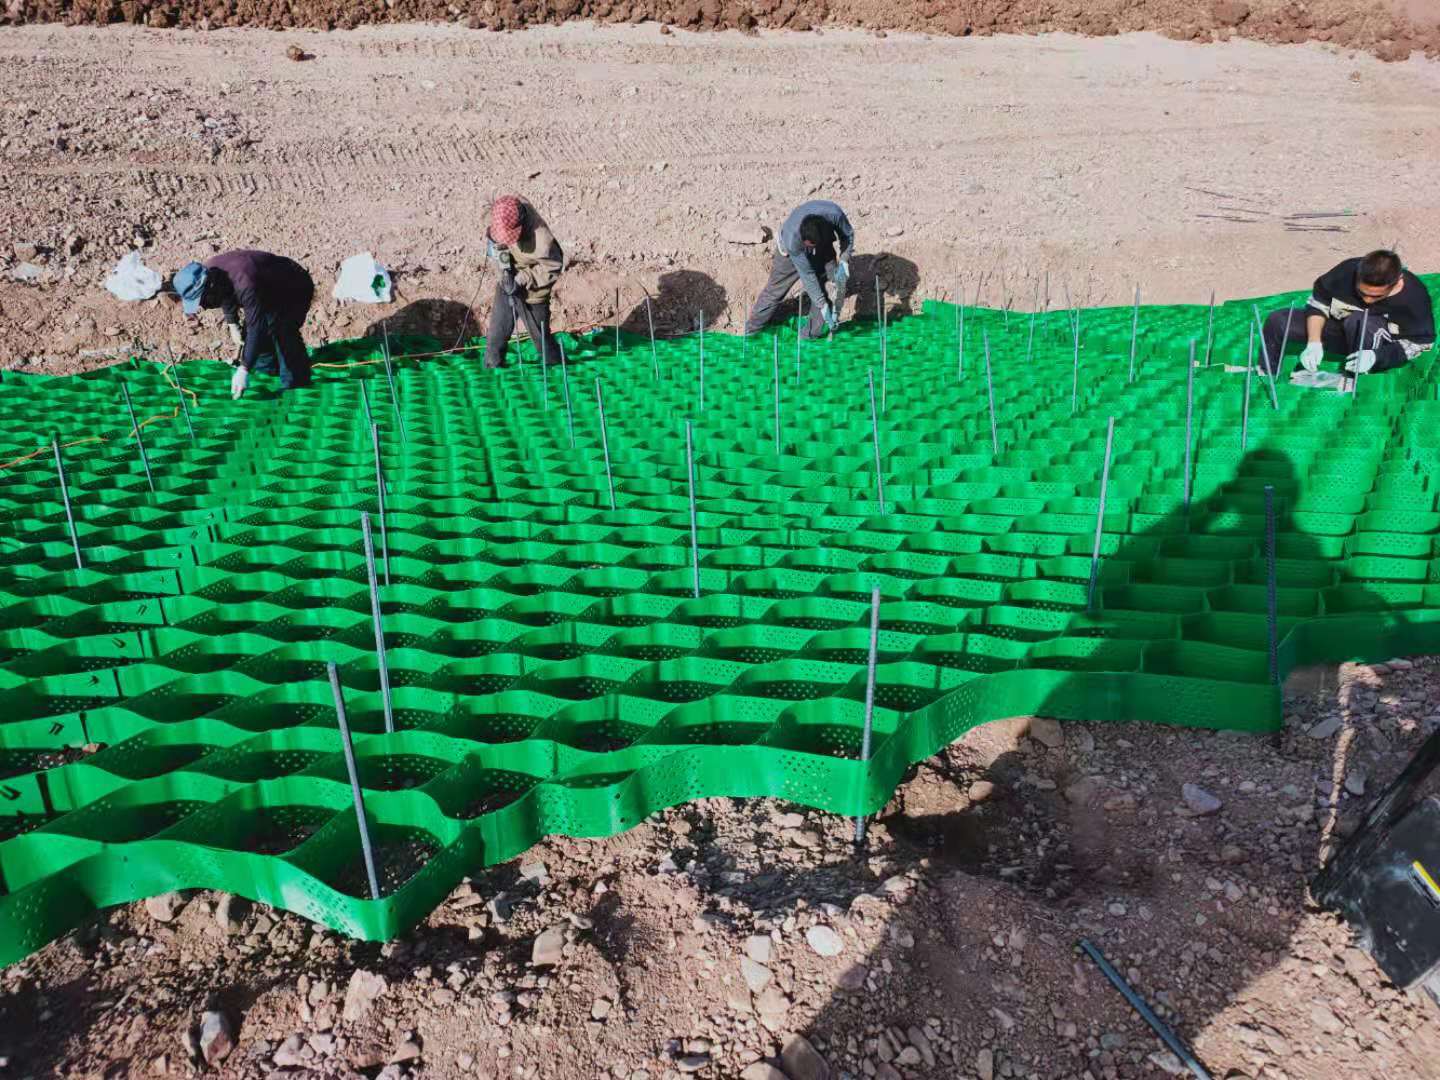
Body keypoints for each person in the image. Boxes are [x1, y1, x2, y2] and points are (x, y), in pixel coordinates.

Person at [1260, 250, 1435, 377]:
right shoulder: (1346, 271)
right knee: (1280, 319)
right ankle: (1266, 372)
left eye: (1376, 296)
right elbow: (1318, 303)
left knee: (1359, 321)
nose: (1366, 300)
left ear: (1396, 284)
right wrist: (1314, 343)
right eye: (1362, 292)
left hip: (1376, 345)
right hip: (1341, 330)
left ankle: (1356, 377)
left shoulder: (1414, 298)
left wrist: (1376, 356)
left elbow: (1419, 343)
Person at [172, 250, 314, 399]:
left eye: (202, 300)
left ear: (210, 286)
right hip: (265, 292)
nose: (204, 306)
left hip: (293, 287)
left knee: (282, 332)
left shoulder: (245, 281)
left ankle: (297, 386)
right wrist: (232, 323)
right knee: (258, 344)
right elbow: (225, 293)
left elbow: (256, 327)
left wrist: (243, 369)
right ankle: (268, 375)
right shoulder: (212, 273)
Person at [745, 200, 854, 339]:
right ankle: (752, 331)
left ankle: (811, 334)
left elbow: (848, 235)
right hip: (790, 255)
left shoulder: (835, 215)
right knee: (775, 291)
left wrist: (844, 259)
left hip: (824, 246)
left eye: (813, 246)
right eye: (809, 246)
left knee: (826, 282)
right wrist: (822, 304)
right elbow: (808, 276)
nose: (811, 250)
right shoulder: (793, 240)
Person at [483, 195, 564, 369]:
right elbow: (495, 248)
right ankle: (492, 367)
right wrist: (504, 275)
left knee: (540, 338)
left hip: (534, 287)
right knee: (496, 335)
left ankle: (557, 369)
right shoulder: (503, 213)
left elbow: (553, 267)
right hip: (508, 279)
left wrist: (521, 279)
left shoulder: (542, 240)